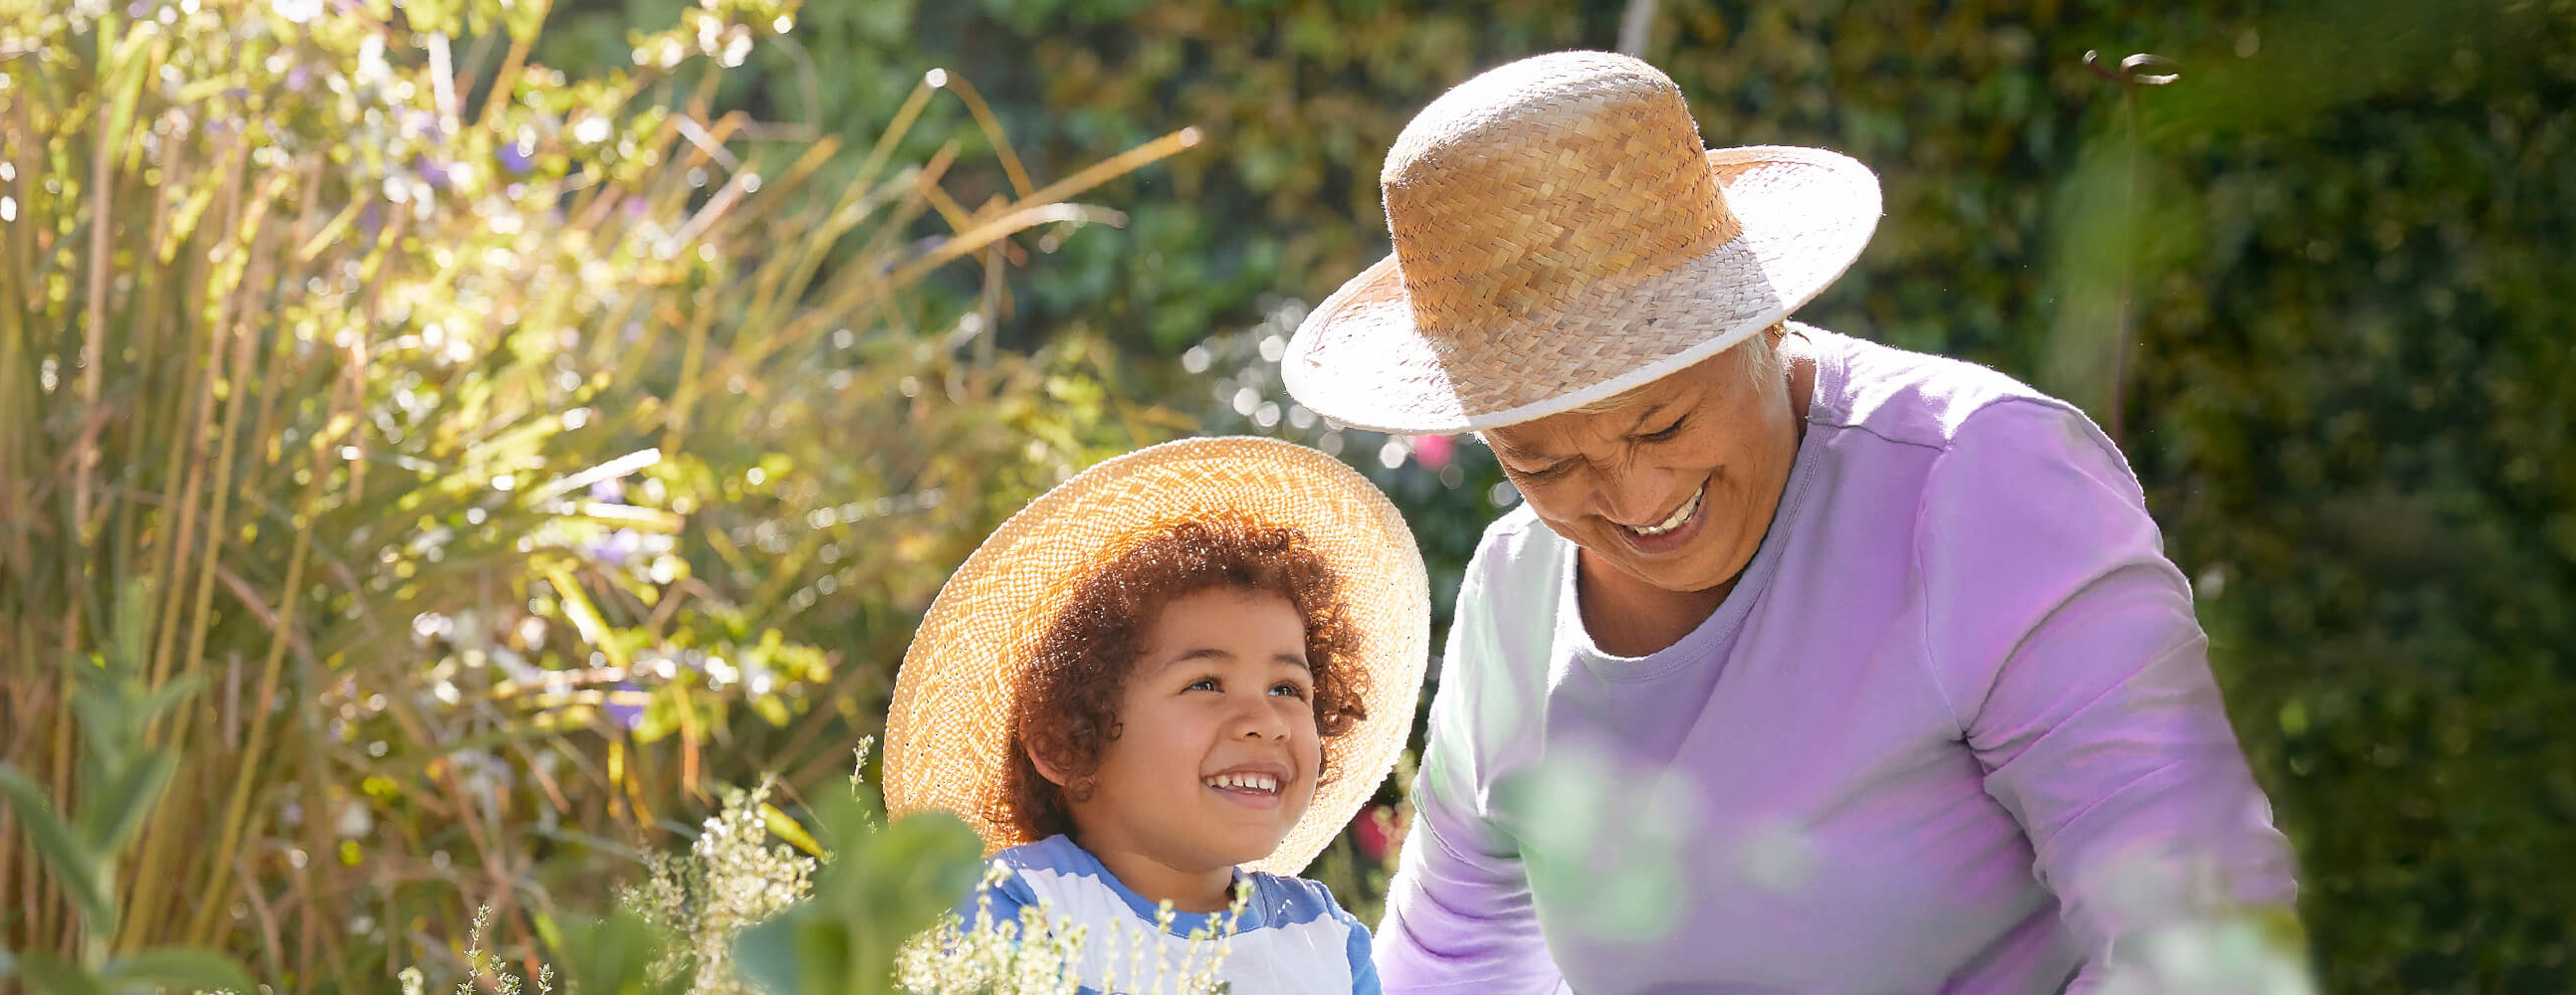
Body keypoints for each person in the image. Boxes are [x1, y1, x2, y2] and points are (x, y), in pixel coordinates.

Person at [1277, 51, 2298, 992]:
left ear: (1759, 312)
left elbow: (2199, 926)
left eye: (1664, 421)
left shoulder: (1977, 482)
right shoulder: (1516, 586)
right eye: (1542, 461)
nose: (1633, 501)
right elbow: (1452, 958)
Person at [880, 437, 1432, 994]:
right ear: (1066, 742)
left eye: (1288, 688)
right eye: (1206, 683)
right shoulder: (1019, 906)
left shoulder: (1322, 937)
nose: (1265, 720)